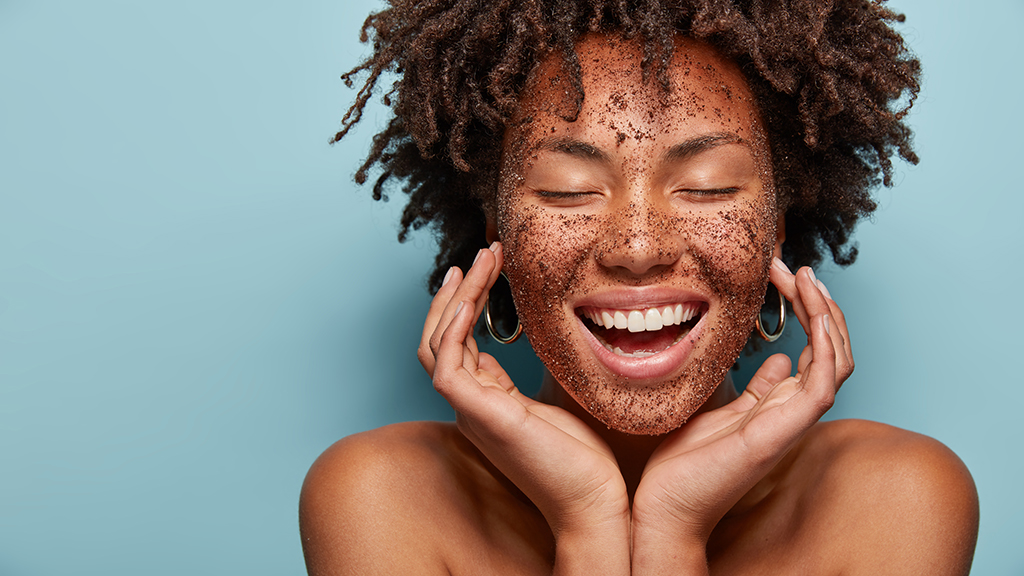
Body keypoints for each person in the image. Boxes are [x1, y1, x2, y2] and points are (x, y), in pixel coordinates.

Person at [300, 1, 979, 574]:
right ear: (496, 233)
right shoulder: (376, 496)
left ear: (777, 227)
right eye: (569, 190)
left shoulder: (899, 498)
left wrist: (671, 531)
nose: (637, 248)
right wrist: (589, 524)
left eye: (708, 185)